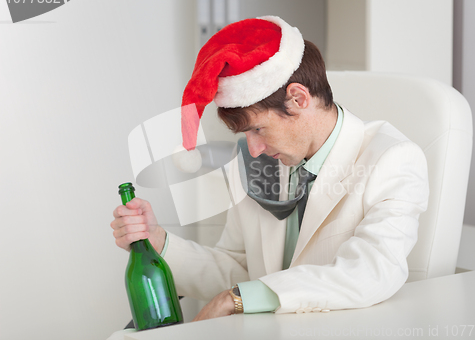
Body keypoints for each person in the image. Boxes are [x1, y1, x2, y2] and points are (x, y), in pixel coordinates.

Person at [111, 16, 429, 320]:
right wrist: (158, 243)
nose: (253, 148)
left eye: (258, 130)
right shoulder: (254, 164)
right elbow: (239, 269)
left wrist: (237, 299)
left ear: (298, 98)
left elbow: (373, 271)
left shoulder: (393, 159)